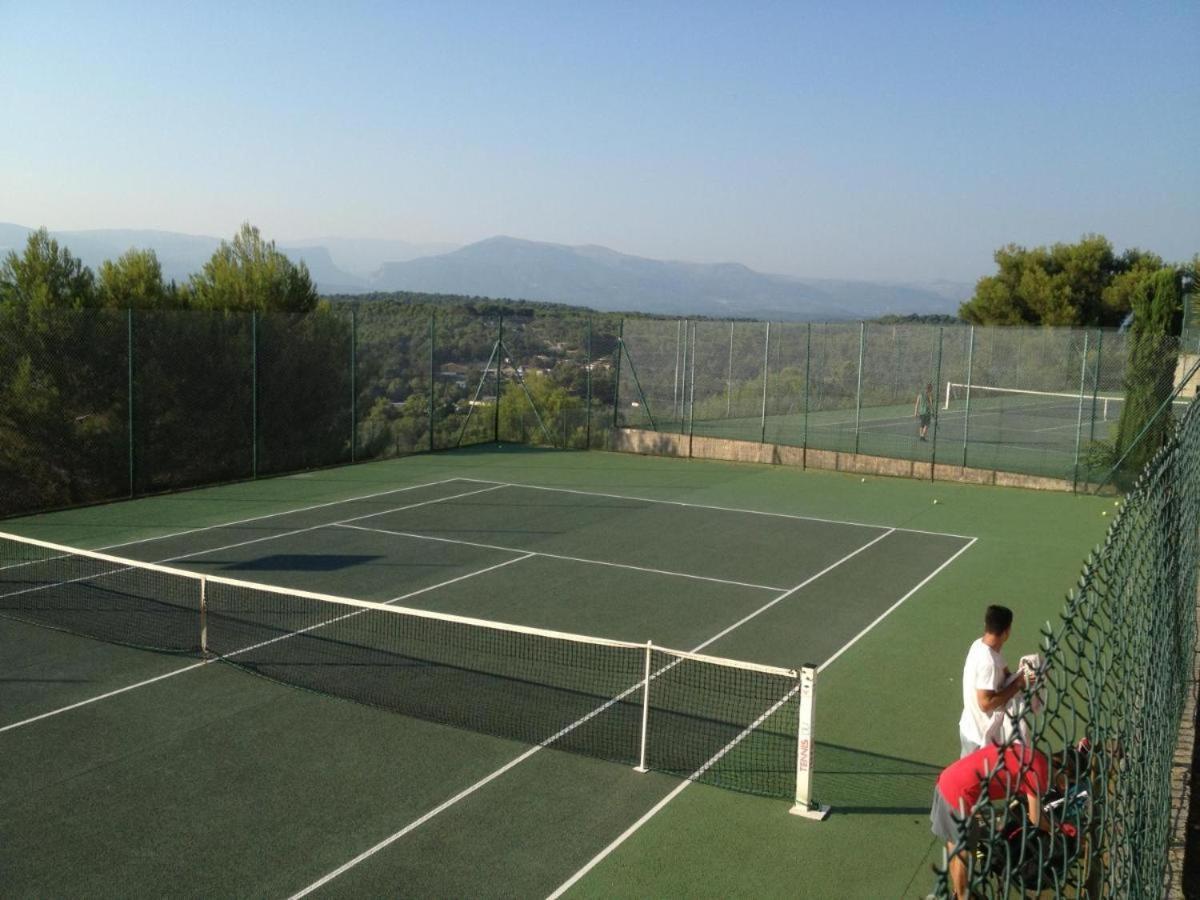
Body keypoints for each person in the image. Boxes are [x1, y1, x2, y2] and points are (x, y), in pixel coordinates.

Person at [930, 740, 1090, 899]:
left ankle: (961, 893)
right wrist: (1061, 828)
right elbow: (1036, 819)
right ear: (1065, 772)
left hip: (949, 779)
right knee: (964, 851)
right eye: (1069, 783)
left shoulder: (1034, 755)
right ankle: (963, 896)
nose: (1065, 788)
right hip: (959, 795)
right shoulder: (1040, 773)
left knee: (959, 845)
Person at [959, 605, 1027, 757]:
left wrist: (1019, 674)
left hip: (969, 727)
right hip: (979, 738)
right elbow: (985, 703)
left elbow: (1005, 673)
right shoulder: (988, 662)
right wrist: (1018, 684)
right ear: (1006, 632)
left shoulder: (980, 645)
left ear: (986, 625)